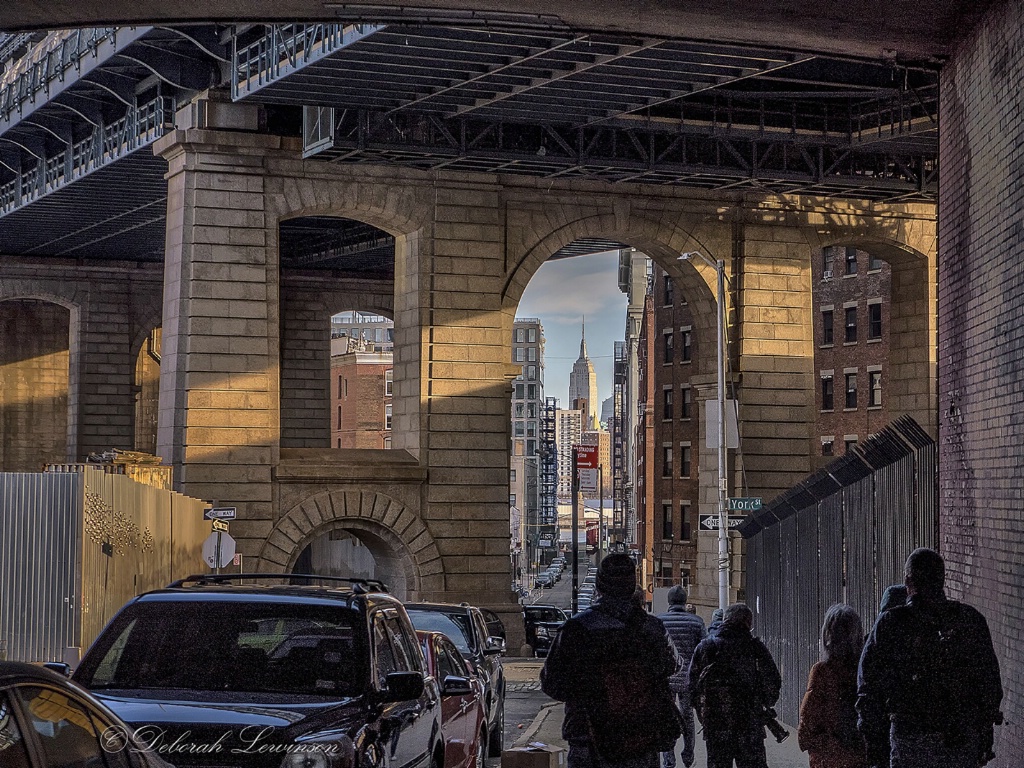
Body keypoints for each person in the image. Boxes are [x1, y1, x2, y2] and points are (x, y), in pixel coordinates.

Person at [857, 548, 1003, 768]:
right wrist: (982, 733)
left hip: (911, 740)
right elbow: (990, 684)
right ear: (942, 579)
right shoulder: (970, 621)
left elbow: (868, 686)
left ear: (908, 581)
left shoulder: (891, 625)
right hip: (960, 741)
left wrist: (874, 742)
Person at [541, 554, 683, 768]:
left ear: (599, 585)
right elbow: (673, 666)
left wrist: (591, 693)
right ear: (632, 586)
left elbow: (551, 683)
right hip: (640, 736)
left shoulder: (576, 629)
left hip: (588, 737)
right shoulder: (651, 628)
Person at [689, 603, 782, 768]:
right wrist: (764, 704)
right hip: (749, 725)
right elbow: (773, 680)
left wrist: (703, 713)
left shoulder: (706, 646)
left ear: (725, 620)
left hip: (716, 725)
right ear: (748, 623)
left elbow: (692, 685)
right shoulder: (754, 648)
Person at [798, 604, 867, 768]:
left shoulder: (822, 671)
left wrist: (807, 740)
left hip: (829, 754)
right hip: (860, 752)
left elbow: (809, 715)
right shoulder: (866, 669)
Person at [657, 586, 707, 768]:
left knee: (666, 719)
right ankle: (688, 757)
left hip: (666, 680)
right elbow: (704, 652)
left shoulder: (659, 621)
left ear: (669, 601)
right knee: (688, 718)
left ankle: (669, 760)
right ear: (685, 601)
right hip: (688, 679)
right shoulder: (697, 622)